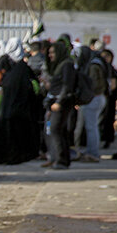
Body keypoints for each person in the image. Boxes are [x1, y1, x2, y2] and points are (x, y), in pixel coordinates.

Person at [0, 38, 40, 166]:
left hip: (10, 107)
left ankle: (10, 156)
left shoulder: (11, 65)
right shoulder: (21, 67)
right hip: (18, 108)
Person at [43, 38, 78, 170]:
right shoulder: (60, 65)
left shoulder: (67, 65)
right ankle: (61, 159)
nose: (50, 55)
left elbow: (67, 86)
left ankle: (61, 159)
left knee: (55, 129)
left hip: (61, 102)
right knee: (58, 130)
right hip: (56, 101)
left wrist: (59, 101)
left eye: (53, 52)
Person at [74, 46, 106, 163]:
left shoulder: (92, 66)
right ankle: (90, 151)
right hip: (95, 98)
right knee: (91, 127)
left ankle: (93, 153)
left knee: (91, 127)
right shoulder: (95, 64)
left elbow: (92, 85)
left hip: (93, 99)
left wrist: (84, 97)